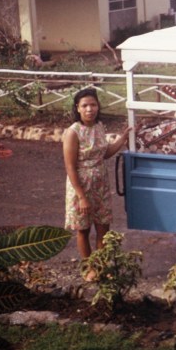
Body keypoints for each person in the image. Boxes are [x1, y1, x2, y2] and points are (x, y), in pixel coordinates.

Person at [63, 87, 130, 280]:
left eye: (93, 104)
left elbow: (105, 153)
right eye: (84, 105)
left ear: (98, 106)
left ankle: (100, 266)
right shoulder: (72, 132)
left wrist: (122, 139)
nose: (89, 109)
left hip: (101, 184)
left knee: (103, 228)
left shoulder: (99, 127)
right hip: (81, 187)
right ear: (77, 108)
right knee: (83, 229)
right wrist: (82, 197)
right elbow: (70, 167)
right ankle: (88, 268)